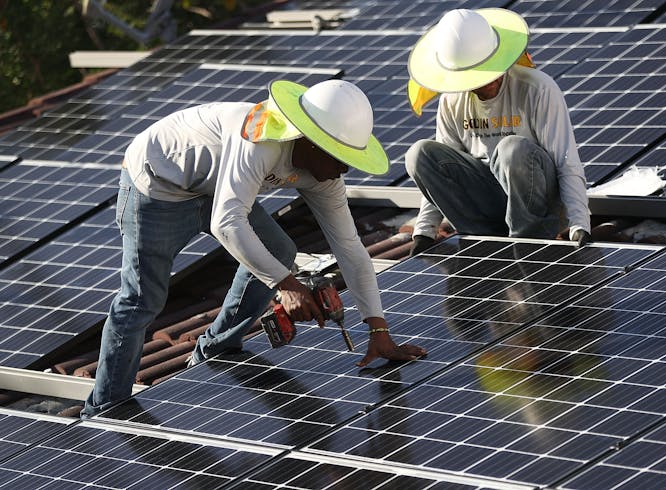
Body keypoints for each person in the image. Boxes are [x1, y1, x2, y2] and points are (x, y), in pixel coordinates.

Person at [81, 79, 427, 418]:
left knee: (279, 250)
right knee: (143, 299)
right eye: (339, 156)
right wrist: (286, 286)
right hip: (159, 183)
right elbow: (227, 223)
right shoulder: (260, 140)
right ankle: (104, 409)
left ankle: (215, 348)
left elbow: (350, 247)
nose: (344, 168)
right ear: (308, 141)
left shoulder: (326, 175)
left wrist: (378, 329)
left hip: (217, 185)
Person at [404, 8, 591, 256]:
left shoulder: (537, 88)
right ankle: (483, 241)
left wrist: (579, 224)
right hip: (490, 200)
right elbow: (443, 172)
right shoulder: (452, 101)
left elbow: (566, 163)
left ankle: (526, 243)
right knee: (419, 154)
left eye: (491, 70)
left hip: (539, 202)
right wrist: (424, 232)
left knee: (511, 149)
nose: (488, 81)